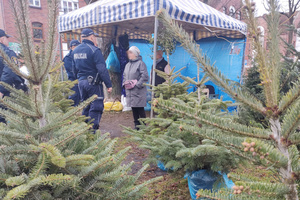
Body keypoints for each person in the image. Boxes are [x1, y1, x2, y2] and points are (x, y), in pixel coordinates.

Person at [73, 28, 112, 131]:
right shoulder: (94, 50)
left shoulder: (75, 50)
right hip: (93, 84)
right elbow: (102, 69)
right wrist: (109, 84)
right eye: (94, 37)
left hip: (81, 82)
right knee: (96, 107)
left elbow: (73, 69)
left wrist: (80, 79)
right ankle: (92, 132)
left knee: (86, 107)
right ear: (91, 37)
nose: (95, 39)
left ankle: (84, 130)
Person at [0, 29, 27, 123]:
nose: (8, 41)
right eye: (7, 38)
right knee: (5, 118)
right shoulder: (8, 52)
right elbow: (9, 71)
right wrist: (1, 90)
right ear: (2, 39)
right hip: (6, 92)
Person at [123, 46, 149, 130]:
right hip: (130, 91)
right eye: (129, 53)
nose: (129, 54)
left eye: (131, 53)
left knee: (140, 108)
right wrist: (124, 83)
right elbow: (124, 76)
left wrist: (137, 84)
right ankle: (136, 126)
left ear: (135, 54)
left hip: (138, 91)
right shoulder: (127, 65)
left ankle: (143, 126)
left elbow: (144, 76)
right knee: (133, 108)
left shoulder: (141, 64)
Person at [63, 39, 80, 106]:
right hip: (73, 82)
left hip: (80, 80)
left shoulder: (78, 55)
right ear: (72, 47)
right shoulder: (67, 58)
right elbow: (71, 70)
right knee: (73, 99)